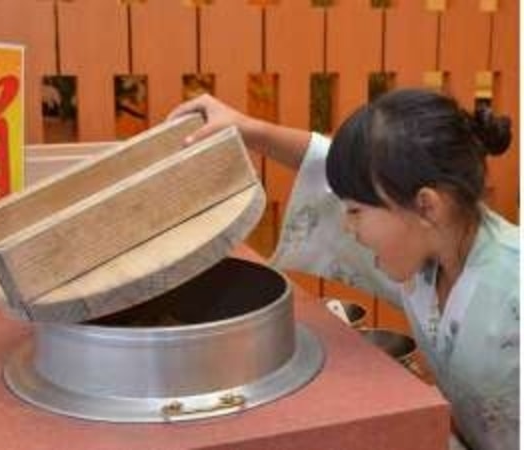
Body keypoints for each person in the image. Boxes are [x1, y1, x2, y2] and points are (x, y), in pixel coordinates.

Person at [168, 88, 519, 450]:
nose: (347, 226)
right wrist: (250, 130)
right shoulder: (427, 249)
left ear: (427, 206)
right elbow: (332, 167)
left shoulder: (513, 286)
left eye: (354, 211)